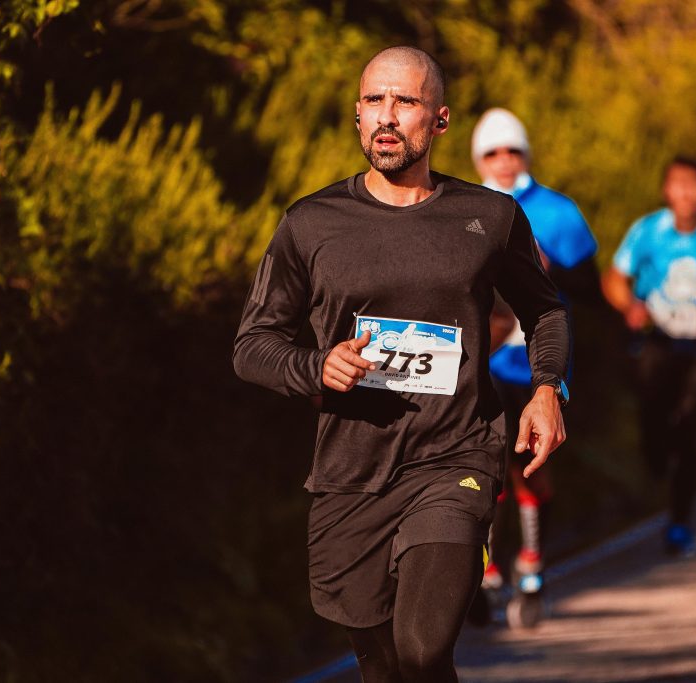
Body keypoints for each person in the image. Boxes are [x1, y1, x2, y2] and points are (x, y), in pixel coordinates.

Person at [233, 46, 570, 682]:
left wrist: (546, 390)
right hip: (350, 473)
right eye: (374, 101)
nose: (387, 116)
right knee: (388, 669)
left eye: (405, 101)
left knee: (422, 647)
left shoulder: (489, 217)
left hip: (456, 457)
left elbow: (546, 311)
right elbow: (253, 344)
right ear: (357, 116)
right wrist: (316, 367)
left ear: (438, 121)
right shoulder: (311, 224)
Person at [469, 108, 597, 624]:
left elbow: (589, 288)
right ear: (479, 158)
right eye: (493, 153)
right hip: (484, 364)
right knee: (484, 467)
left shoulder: (560, 212)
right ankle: (486, 571)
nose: (503, 161)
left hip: (538, 365)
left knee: (530, 472)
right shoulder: (461, 209)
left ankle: (532, 560)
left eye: (512, 151)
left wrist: (548, 267)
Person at [601, 157, 696, 556]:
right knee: (654, 423)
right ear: (667, 190)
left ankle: (680, 523)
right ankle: (654, 460)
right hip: (655, 343)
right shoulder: (648, 231)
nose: (686, 193)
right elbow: (614, 278)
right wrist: (629, 305)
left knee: (688, 428)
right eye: (678, 185)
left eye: (694, 185)